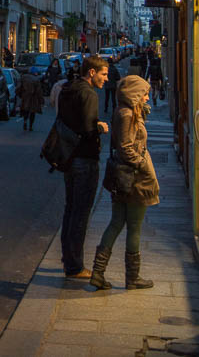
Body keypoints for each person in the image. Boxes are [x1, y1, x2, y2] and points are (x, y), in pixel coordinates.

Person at [90, 75, 160, 290]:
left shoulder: (126, 111)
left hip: (123, 176)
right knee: (134, 227)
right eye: (144, 93)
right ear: (135, 94)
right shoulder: (127, 114)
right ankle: (132, 277)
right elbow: (126, 147)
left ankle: (98, 273)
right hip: (134, 178)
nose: (147, 97)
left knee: (117, 222)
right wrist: (142, 164)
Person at [57, 54, 109, 279]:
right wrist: (100, 128)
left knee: (70, 210)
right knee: (81, 213)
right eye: (103, 74)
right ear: (92, 73)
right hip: (84, 160)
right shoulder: (89, 94)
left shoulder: (68, 89)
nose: (106, 79)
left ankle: (68, 258)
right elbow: (88, 130)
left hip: (68, 157)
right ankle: (75, 266)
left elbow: (68, 122)